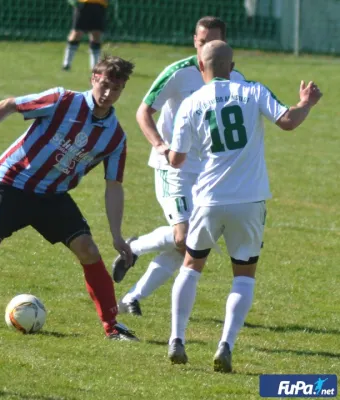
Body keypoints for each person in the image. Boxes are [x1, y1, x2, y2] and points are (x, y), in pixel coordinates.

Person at [0, 55, 139, 341]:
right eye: (104, 85)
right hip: (13, 182)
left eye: (116, 88)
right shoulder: (62, 100)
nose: (108, 93)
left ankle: (112, 326)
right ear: (93, 79)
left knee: (88, 249)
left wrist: (117, 235)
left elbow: (114, 185)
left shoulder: (115, 137)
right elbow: (11, 104)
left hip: (53, 196)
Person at [166, 40, 322, 372]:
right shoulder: (252, 91)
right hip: (249, 201)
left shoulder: (192, 102)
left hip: (208, 198)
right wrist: (305, 103)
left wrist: (170, 150)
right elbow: (288, 121)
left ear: (200, 65)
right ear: (232, 66)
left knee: (192, 267)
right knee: (244, 276)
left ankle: (177, 338)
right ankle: (226, 344)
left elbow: (177, 160)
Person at [112, 16, 245, 317]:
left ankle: (132, 294)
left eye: (211, 43)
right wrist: (160, 146)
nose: (204, 50)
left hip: (209, 174)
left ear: (224, 44)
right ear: (193, 42)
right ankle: (132, 251)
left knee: (186, 244)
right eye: (200, 43)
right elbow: (144, 111)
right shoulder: (178, 72)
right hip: (173, 167)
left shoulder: (233, 77)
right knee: (183, 237)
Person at [62, 0, 108, 71]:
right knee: (76, 33)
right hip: (83, 3)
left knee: (96, 34)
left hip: (100, 4)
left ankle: (95, 67)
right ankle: (66, 64)